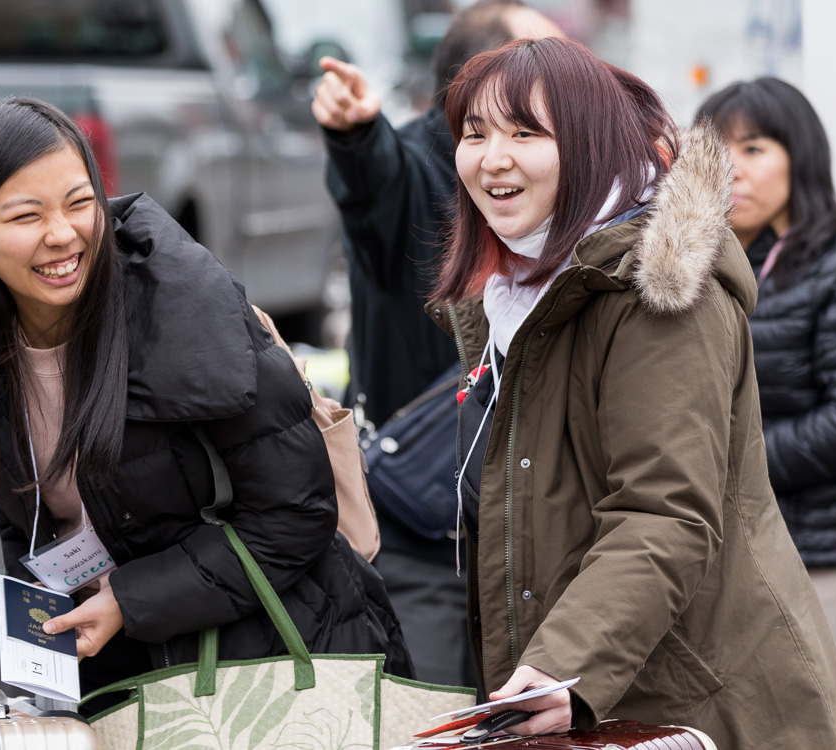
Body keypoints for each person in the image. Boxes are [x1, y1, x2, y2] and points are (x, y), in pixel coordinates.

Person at [0, 97, 412, 699]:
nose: (62, 235)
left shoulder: (188, 311)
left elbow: (295, 513)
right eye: (25, 217)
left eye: (79, 203)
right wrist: (38, 627)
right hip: (117, 680)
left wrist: (132, 599)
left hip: (279, 661)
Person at [427, 38, 836, 747]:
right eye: (473, 134)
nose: (491, 158)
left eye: (524, 132)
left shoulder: (655, 291)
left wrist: (560, 663)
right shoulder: (519, 296)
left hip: (713, 709)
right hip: (611, 702)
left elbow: (662, 510)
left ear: (588, 143)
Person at [313, 0, 560, 688]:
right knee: (427, 714)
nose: (571, 75)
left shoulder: (554, 183)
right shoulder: (427, 172)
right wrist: (357, 135)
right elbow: (378, 184)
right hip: (421, 530)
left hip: (517, 537)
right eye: (540, 59)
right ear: (470, 87)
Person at [695, 77, 836, 716]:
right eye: (716, 149)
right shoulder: (694, 261)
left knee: (826, 727)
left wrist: (726, 467)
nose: (733, 169)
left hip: (825, 556)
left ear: (800, 157)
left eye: (753, 149)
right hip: (721, 559)